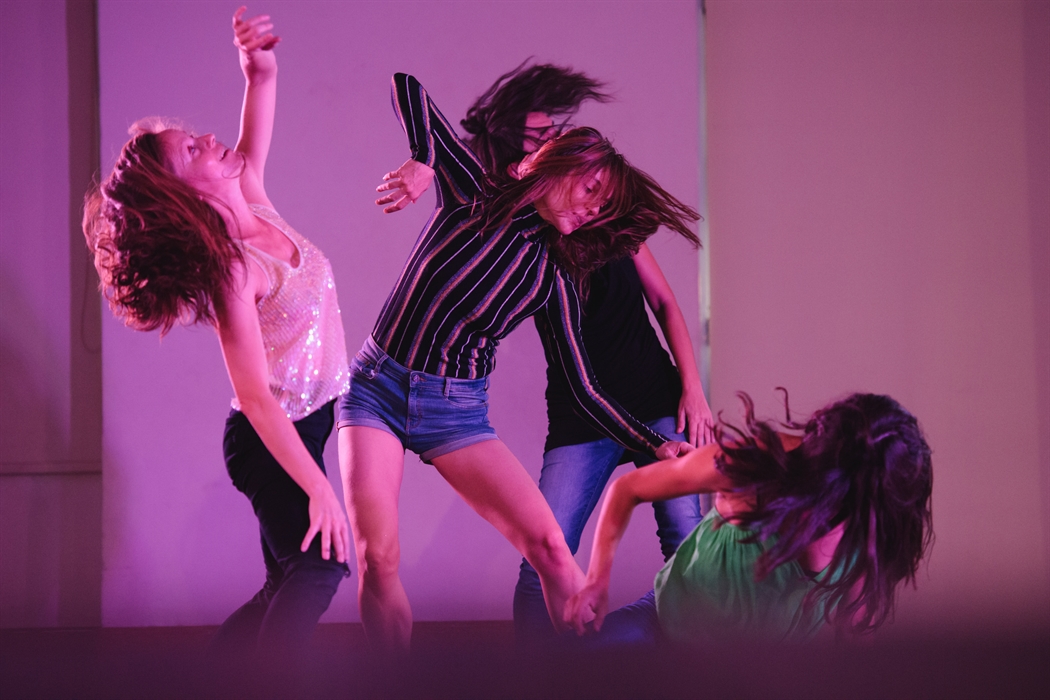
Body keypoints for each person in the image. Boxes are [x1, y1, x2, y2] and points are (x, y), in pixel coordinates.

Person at [339, 72, 700, 653]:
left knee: (553, 550)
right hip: (375, 390)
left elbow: (584, 387)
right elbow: (406, 86)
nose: (593, 208)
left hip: (454, 412)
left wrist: (656, 445)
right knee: (378, 557)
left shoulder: (554, 277)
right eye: (591, 189)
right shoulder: (471, 192)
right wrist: (423, 159)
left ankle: (565, 679)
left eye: (603, 205)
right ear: (559, 165)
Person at [82, 7, 350, 679]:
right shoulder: (233, 268)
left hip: (312, 419)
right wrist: (317, 486)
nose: (208, 140)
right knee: (318, 569)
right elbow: (255, 398)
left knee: (282, 581)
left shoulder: (252, 197)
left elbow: (259, 96)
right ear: (180, 195)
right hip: (267, 438)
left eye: (196, 136)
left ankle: (213, 681)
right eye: (192, 152)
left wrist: (257, 64)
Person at [566, 391, 934, 643]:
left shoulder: (871, 531)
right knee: (568, 671)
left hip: (757, 668)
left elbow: (855, 635)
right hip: (665, 622)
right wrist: (597, 580)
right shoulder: (758, 462)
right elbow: (628, 488)